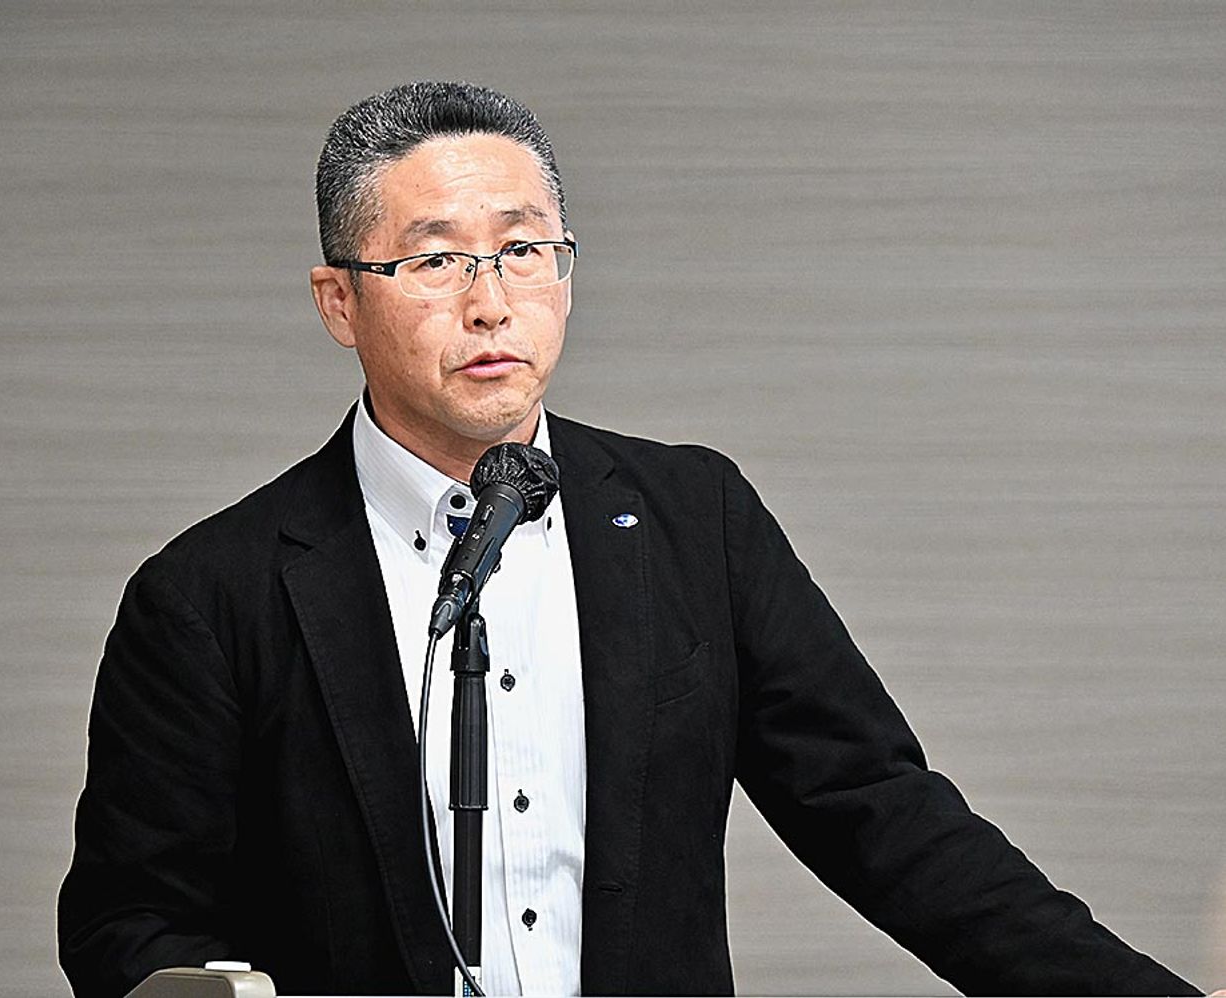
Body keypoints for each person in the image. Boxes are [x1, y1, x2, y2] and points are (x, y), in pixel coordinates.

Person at [58, 80, 1205, 997]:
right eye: (435, 259)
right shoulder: (212, 592)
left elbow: (885, 815)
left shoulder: (692, 517)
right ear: (339, 300)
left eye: (524, 250)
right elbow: (129, 919)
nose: (491, 301)